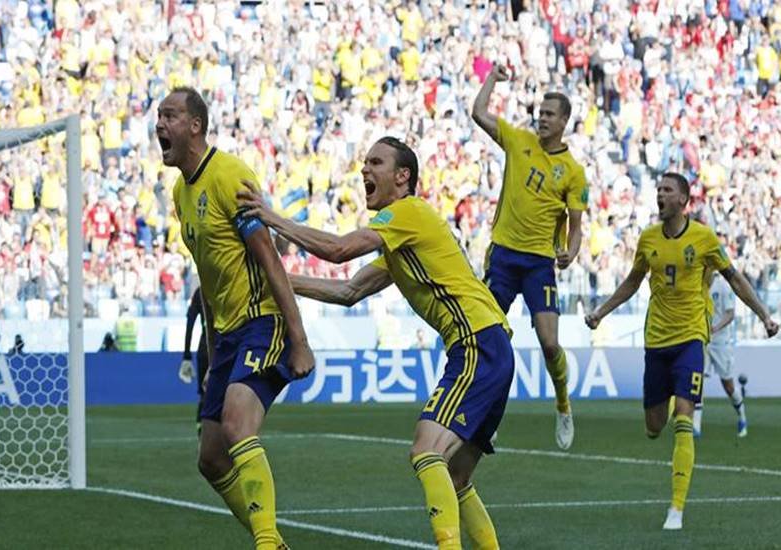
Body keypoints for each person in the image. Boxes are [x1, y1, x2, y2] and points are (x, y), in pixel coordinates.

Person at [238, 136, 514, 550]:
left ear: (402, 177)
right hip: (490, 345)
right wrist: (277, 281)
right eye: (365, 162)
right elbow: (348, 291)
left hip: (477, 343)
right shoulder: (403, 237)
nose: (365, 169)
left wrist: (271, 218)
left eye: (376, 162)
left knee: (426, 450)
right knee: (456, 477)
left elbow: (338, 249)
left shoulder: (407, 213)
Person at [158, 86, 315, 550]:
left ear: (195, 126)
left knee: (237, 425)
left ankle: (266, 544)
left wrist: (299, 339)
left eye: (170, 115)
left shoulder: (231, 176)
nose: (159, 124)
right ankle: (275, 542)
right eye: (158, 116)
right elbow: (207, 277)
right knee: (211, 458)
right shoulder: (181, 193)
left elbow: (270, 260)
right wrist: (212, 355)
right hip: (226, 335)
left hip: (262, 319)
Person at [584, 172, 779, 530]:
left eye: (667, 190)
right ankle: (673, 397)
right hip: (657, 338)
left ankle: (676, 508)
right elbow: (632, 282)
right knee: (654, 426)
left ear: (683, 200)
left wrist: (764, 314)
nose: (659, 194)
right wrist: (601, 311)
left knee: (685, 419)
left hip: (691, 336)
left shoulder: (704, 238)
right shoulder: (648, 238)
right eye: (658, 189)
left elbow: (735, 278)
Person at [472, 63, 589, 450]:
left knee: (550, 343)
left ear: (564, 122)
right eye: (540, 112)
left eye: (550, 114)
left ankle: (563, 404)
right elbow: (478, 112)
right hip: (503, 256)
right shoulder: (517, 140)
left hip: (539, 263)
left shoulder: (573, 173)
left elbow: (576, 227)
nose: (542, 118)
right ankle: (488, 414)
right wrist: (492, 78)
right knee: (488, 335)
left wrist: (570, 253)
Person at [693, 271, 747, 438]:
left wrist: (716, 328)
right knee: (698, 381)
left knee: (728, 386)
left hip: (720, 343)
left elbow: (730, 314)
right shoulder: (699, 285)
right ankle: (696, 427)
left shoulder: (723, 286)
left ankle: (742, 417)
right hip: (703, 341)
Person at [179, 286, 209, 435]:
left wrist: (187, 355)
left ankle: (202, 438)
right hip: (224, 347)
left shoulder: (200, 292)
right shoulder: (224, 286)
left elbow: (190, 323)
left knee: (204, 395)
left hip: (204, 350)